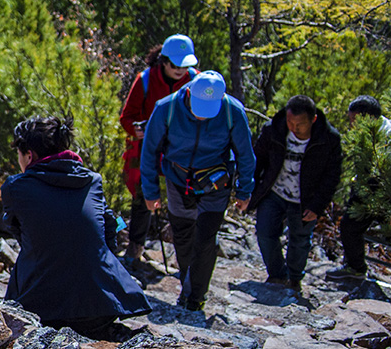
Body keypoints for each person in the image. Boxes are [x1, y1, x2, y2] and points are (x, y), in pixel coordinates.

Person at [2, 115, 151, 338]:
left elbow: (22, 235)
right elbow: (111, 228)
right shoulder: (92, 181)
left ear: (29, 155)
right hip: (101, 306)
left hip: (41, 308)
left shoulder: (15, 187)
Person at [140, 71, 256, 312]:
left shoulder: (232, 111)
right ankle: (187, 285)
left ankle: (196, 298)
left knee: (205, 239)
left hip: (215, 182)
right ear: (189, 92)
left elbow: (245, 154)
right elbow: (149, 152)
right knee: (182, 236)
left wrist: (244, 191)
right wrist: (151, 193)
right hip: (177, 179)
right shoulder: (166, 109)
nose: (202, 116)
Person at [117, 34, 198, 272]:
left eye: (185, 65)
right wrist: (135, 129)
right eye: (175, 65)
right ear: (163, 61)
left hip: (181, 151)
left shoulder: (194, 80)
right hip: (148, 149)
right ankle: (135, 250)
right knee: (143, 199)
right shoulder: (145, 80)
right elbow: (127, 116)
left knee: (184, 197)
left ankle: (186, 256)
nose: (180, 70)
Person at [247, 95, 341, 289]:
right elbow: (257, 160)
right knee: (265, 233)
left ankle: (295, 279)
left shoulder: (328, 138)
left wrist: (317, 206)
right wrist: (249, 190)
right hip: (273, 192)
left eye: (300, 124)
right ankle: (277, 275)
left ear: (313, 120)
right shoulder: (273, 129)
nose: (294, 127)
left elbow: (331, 177)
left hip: (305, 199)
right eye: (290, 122)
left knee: (299, 240)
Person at [327, 96, 391, 282]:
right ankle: (355, 268)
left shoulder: (387, 135)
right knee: (349, 225)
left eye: (354, 121)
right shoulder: (363, 134)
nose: (351, 125)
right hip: (369, 191)